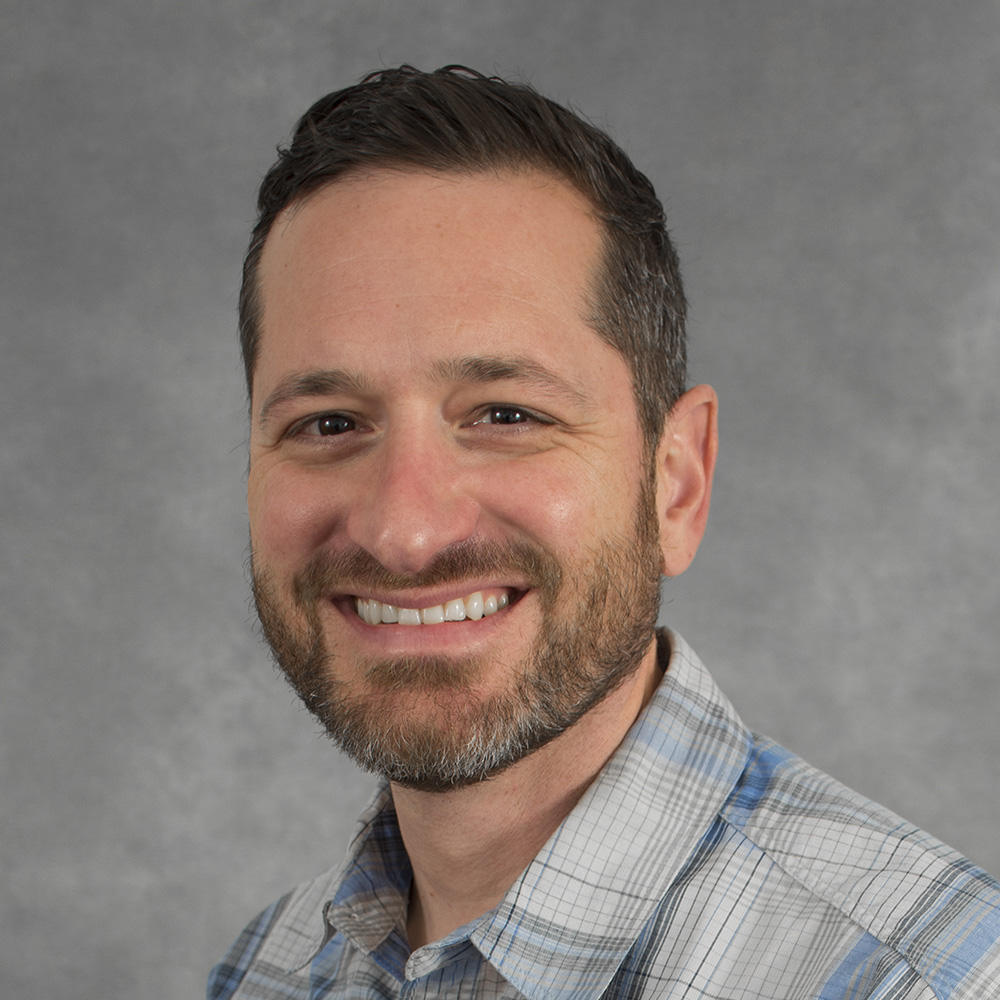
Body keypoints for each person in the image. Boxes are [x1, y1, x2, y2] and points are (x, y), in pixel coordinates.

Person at [208, 65, 1000, 1000]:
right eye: (329, 423)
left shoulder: (925, 981)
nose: (404, 530)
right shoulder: (271, 965)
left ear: (676, 480)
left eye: (506, 415)